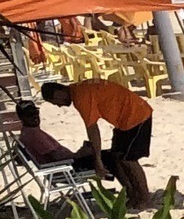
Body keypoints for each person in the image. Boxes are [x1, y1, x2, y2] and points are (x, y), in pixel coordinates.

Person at [41, 80, 153, 209]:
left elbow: (93, 130)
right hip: (123, 120)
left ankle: (145, 198)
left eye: (56, 102)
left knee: (129, 160)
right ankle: (133, 195)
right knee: (117, 157)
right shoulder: (79, 90)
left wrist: (98, 160)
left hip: (136, 115)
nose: (59, 106)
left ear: (59, 93)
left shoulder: (81, 97)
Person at [15, 101, 118, 177]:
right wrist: (81, 153)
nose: (35, 117)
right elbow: (57, 157)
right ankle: (130, 191)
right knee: (114, 157)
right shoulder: (34, 135)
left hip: (65, 164)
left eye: (35, 112)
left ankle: (129, 191)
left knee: (111, 155)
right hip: (67, 167)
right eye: (29, 115)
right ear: (21, 118)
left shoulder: (27, 133)